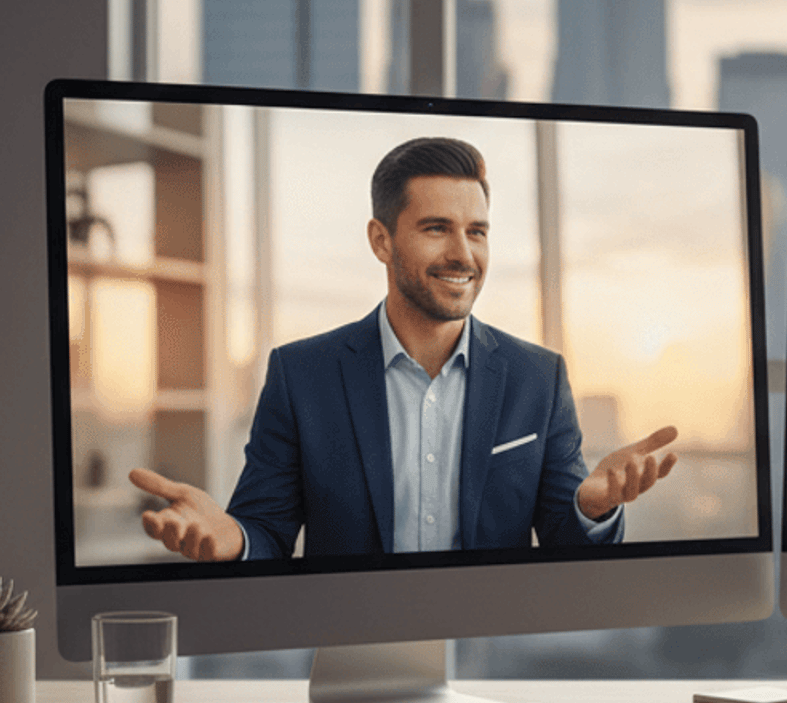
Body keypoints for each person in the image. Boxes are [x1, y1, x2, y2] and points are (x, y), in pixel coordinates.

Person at [131, 136, 676, 561]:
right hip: (357, 652)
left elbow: (564, 541)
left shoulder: (539, 377)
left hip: (492, 658)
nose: (463, 254)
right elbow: (265, 531)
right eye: (437, 228)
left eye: (477, 231)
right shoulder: (302, 375)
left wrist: (591, 507)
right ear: (381, 240)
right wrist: (233, 537)